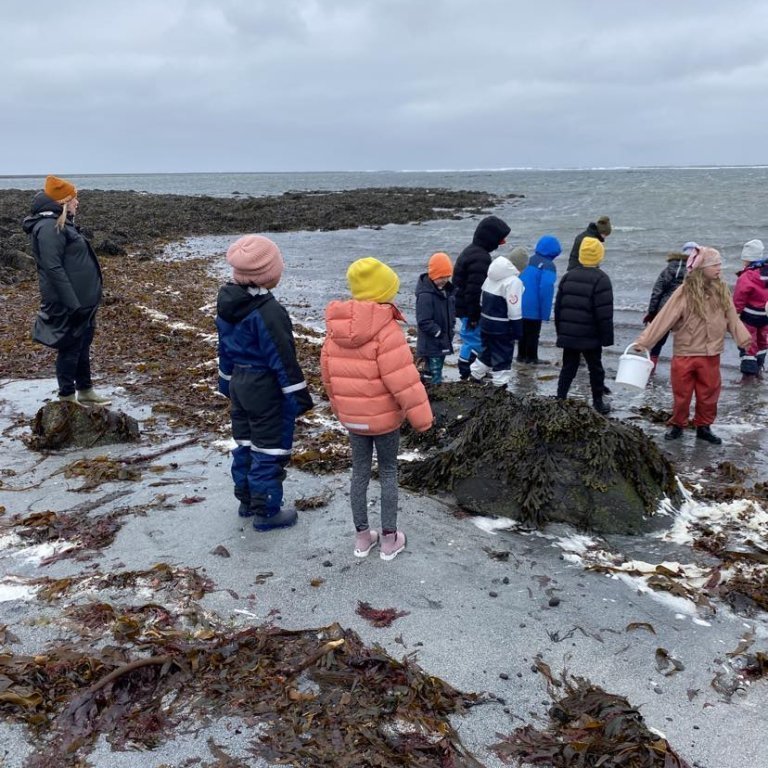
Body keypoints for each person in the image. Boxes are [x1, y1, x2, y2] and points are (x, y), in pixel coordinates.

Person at [321, 257, 432, 561]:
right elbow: (405, 382)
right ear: (384, 292)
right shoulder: (387, 330)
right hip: (384, 422)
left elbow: (328, 376)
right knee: (388, 471)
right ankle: (388, 539)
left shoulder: (336, 329)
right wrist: (422, 419)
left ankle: (361, 539)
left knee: (359, 472)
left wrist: (340, 408)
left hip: (352, 420)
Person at [216, 234, 313, 530]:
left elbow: (224, 349)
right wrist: (298, 397)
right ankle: (266, 511)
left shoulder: (227, 303)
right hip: (264, 387)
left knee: (244, 442)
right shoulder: (268, 312)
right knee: (269, 448)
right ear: (268, 275)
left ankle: (246, 500)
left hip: (239, 384)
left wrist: (226, 383)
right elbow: (282, 359)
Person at [634, 247, 751, 445]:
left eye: (720, 264)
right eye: (715, 264)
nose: (719, 268)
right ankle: (678, 425)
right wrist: (644, 342)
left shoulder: (721, 289)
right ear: (702, 267)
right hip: (685, 352)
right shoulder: (684, 291)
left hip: (711, 352)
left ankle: (704, 427)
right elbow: (665, 318)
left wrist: (744, 339)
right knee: (682, 393)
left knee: (709, 393)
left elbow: (731, 317)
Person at [22, 175, 111, 405]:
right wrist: (74, 304)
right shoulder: (49, 227)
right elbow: (53, 269)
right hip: (68, 302)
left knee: (82, 345)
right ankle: (67, 396)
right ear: (63, 201)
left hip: (84, 301)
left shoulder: (62, 223)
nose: (77, 203)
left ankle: (85, 389)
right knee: (70, 348)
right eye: (73, 199)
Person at [554, 237, 614, 414]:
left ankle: (560, 397)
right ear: (599, 257)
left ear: (580, 256)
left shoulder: (568, 276)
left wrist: (561, 333)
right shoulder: (602, 279)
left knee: (568, 367)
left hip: (569, 334)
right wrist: (606, 338)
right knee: (595, 368)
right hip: (591, 336)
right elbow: (604, 314)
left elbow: (558, 308)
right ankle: (598, 403)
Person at [452, 215, 511, 379]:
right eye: (500, 240)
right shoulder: (481, 257)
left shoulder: (472, 251)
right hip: (469, 308)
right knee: (474, 340)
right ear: (490, 239)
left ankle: (471, 369)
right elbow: (473, 290)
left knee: (472, 338)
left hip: (463, 305)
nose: (501, 244)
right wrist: (474, 314)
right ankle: (467, 370)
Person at [469, 252, 524, 386]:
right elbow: (514, 308)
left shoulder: (491, 276)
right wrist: (517, 328)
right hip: (502, 326)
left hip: (486, 323)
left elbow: (481, 300)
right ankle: (500, 384)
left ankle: (475, 375)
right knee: (503, 354)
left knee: (487, 351)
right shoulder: (514, 282)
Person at [643, 242, 699, 373]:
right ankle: (684, 370)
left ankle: (651, 368)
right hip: (687, 310)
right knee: (685, 342)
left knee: (658, 340)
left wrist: (652, 312)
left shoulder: (669, 268)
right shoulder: (697, 271)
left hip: (665, 308)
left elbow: (657, 290)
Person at [518, 235, 562, 364]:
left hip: (519, 304)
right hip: (534, 306)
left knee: (523, 333)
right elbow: (546, 288)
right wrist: (545, 312)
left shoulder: (528, 260)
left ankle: (521, 357)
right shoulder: (549, 266)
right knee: (533, 334)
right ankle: (532, 359)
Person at [415, 252, 455, 385]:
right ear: (433, 275)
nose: (445, 280)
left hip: (443, 339)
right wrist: (437, 332)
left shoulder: (448, 292)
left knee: (438, 367)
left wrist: (451, 327)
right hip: (432, 341)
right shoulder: (425, 295)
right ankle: (433, 390)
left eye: (447, 276)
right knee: (434, 369)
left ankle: (431, 385)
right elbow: (423, 321)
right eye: (441, 277)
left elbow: (451, 312)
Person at [732, 239, 768, 381]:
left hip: (750, 316)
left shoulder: (746, 275)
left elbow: (740, 296)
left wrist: (736, 312)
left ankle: (748, 374)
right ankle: (759, 367)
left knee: (748, 342)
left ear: (747, 260)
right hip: (765, 315)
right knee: (763, 341)